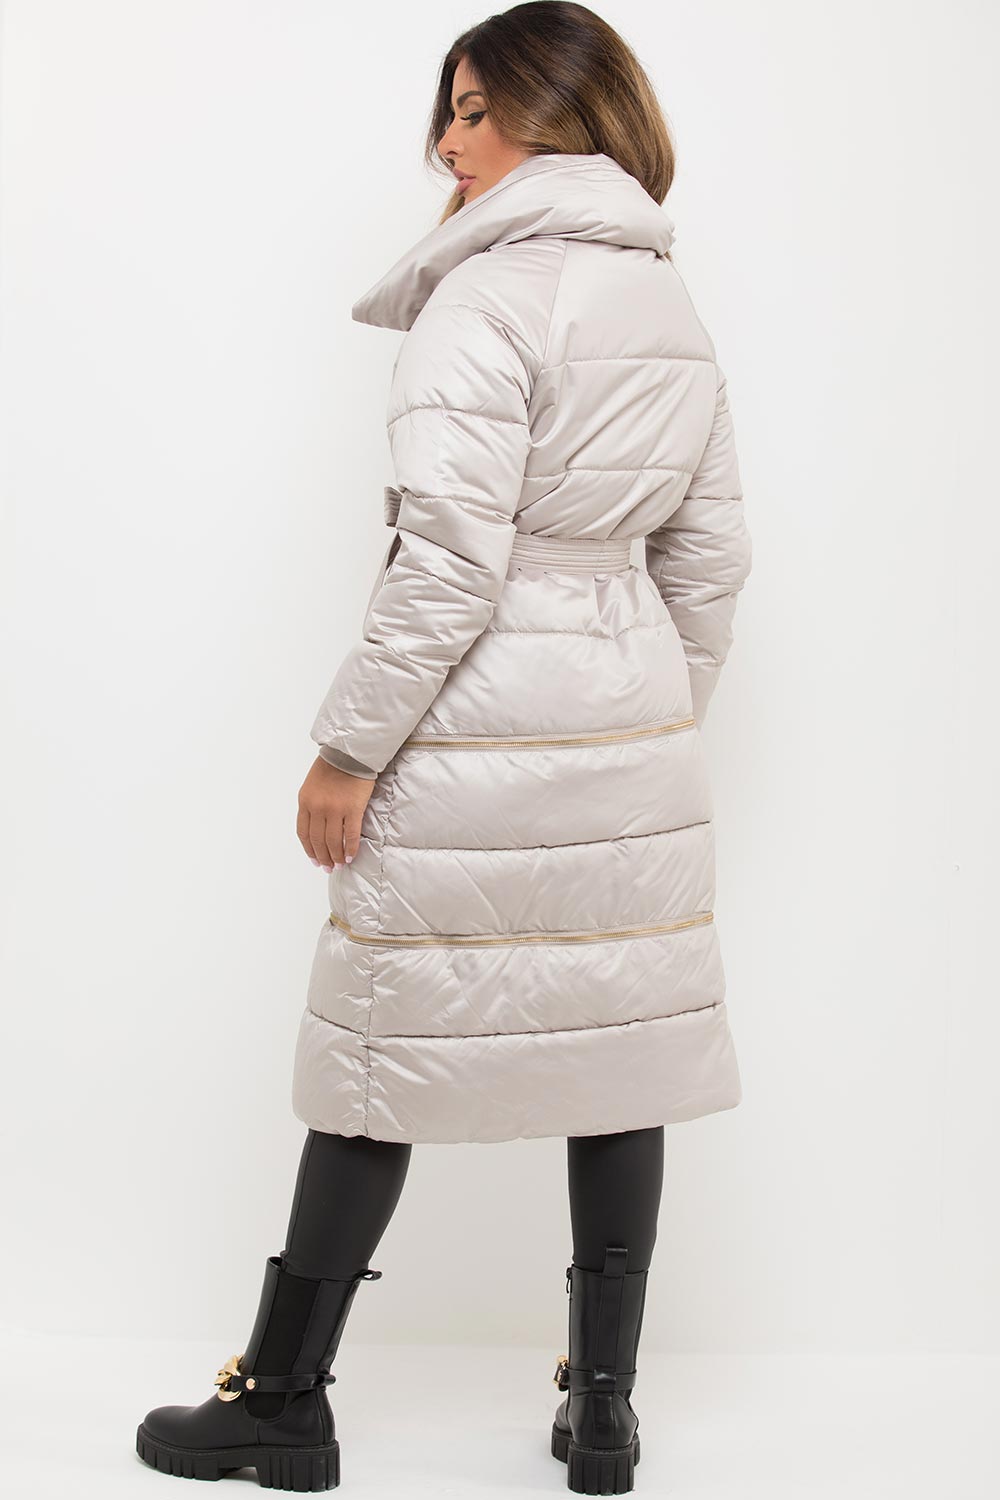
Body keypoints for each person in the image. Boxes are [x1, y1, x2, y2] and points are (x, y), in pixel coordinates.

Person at [135, 2, 752, 1493]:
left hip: (466, 721)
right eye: (449, 111)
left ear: (559, 113)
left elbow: (448, 568)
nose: (447, 144)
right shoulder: (667, 301)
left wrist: (348, 751)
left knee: (379, 1044)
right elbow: (713, 557)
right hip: (627, 717)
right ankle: (602, 1415)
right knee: (617, 1049)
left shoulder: (484, 299)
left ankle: (284, 1397)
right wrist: (649, 717)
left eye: (475, 111)